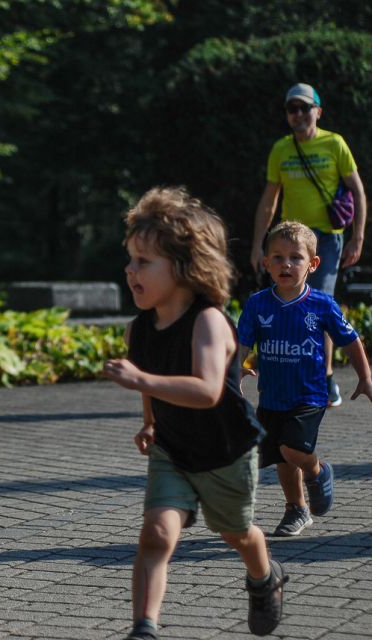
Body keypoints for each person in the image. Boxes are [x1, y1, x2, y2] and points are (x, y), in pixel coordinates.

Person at [104, 187, 286, 639]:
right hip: (173, 451)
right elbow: (150, 379)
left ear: (185, 267)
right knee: (156, 535)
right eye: (130, 259)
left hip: (226, 453)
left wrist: (141, 382)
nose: (130, 271)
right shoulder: (139, 329)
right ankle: (144, 629)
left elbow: (206, 390)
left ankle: (265, 577)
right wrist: (148, 420)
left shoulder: (208, 321)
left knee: (236, 534)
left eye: (143, 261)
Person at [238, 221, 372, 537]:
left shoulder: (322, 304)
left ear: (312, 264)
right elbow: (242, 343)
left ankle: (318, 471)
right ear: (267, 262)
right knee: (279, 454)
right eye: (278, 257)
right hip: (271, 395)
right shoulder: (258, 304)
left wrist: (365, 377)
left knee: (292, 448)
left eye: (295, 258)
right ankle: (296, 509)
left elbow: (350, 340)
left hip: (310, 396)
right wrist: (235, 370)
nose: (286, 264)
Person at [250, 82, 367, 407]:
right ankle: (298, 372)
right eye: (292, 109)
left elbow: (357, 191)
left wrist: (357, 236)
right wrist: (258, 244)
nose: (299, 114)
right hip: (290, 238)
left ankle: (325, 376)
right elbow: (268, 201)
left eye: (304, 108)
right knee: (287, 301)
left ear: (318, 111)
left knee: (321, 303)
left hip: (326, 239)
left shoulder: (335, 143)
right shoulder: (281, 149)